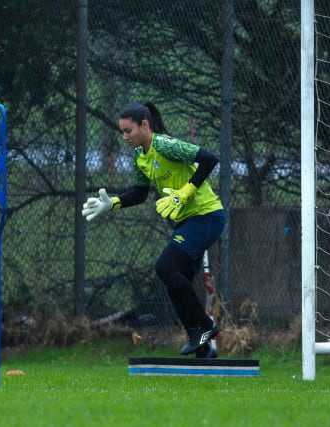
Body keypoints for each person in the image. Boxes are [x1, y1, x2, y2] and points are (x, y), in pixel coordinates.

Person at [82, 102, 226, 358]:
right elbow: (139, 193)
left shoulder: (164, 145)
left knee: (165, 267)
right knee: (175, 280)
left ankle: (205, 326)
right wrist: (112, 203)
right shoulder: (141, 156)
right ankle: (203, 348)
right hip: (187, 222)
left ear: (144, 126)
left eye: (128, 131)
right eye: (122, 132)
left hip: (207, 217)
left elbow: (209, 159)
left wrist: (185, 191)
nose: (125, 137)